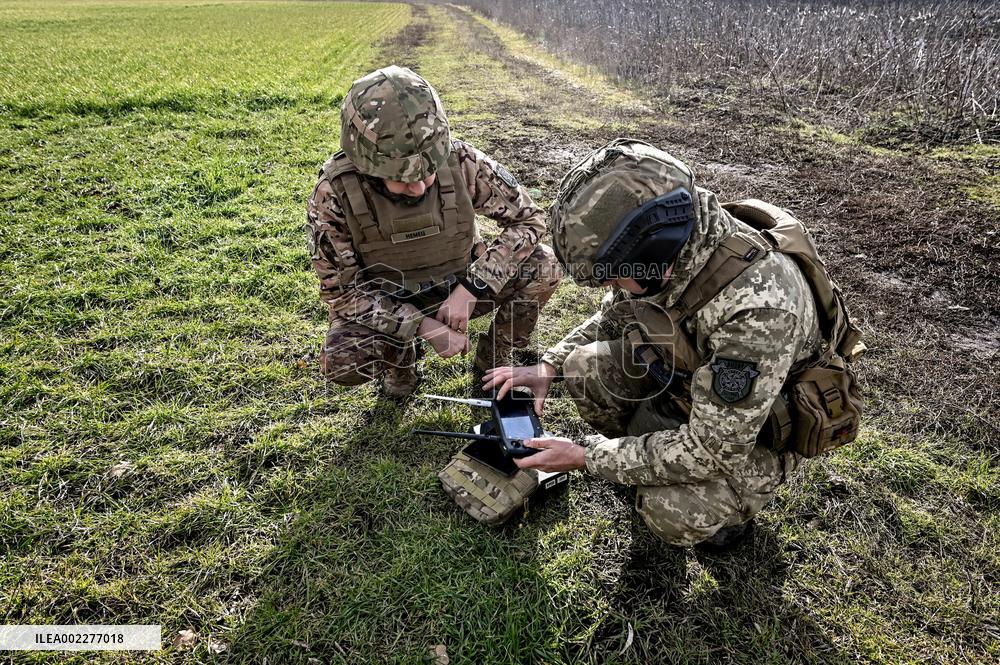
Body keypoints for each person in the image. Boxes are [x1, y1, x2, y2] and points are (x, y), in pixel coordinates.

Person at [483, 139, 863, 550]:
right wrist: (549, 366)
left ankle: (723, 520)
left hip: (756, 433)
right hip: (693, 387)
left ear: (655, 247)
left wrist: (586, 456)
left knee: (671, 512)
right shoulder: (674, 250)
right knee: (582, 366)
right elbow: (617, 314)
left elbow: (714, 449)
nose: (611, 284)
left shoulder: (758, 308)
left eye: (612, 274)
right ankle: (645, 457)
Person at [307, 66, 562, 396]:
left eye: (428, 172)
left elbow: (529, 220)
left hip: (459, 284)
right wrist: (421, 326)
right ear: (367, 166)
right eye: (403, 178)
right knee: (342, 358)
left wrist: (472, 287)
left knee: (544, 266)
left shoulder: (461, 160)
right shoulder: (335, 193)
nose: (419, 187)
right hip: (388, 297)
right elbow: (343, 293)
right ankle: (401, 366)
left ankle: (494, 362)